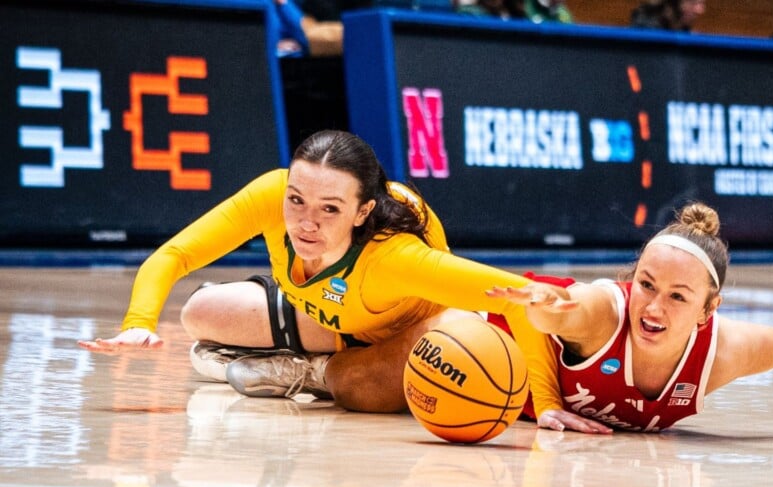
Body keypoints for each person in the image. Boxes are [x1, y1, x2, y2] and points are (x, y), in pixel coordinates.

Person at [78, 130, 557, 413]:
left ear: (363, 211)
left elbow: (524, 295)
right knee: (198, 313)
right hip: (334, 314)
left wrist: (548, 403)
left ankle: (312, 375)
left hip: (409, 330)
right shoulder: (272, 194)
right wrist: (138, 324)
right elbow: (172, 256)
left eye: (330, 209)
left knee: (357, 388)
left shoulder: (396, 259)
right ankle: (294, 359)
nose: (306, 223)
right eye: (297, 201)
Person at [487, 202, 773, 444]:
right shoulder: (604, 314)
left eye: (678, 296)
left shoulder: (718, 353)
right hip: (485, 339)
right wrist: (543, 304)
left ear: (708, 309)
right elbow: (560, 310)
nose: (654, 308)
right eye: (646, 284)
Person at [630, 0, 705, 32]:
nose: (700, 11)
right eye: (693, 3)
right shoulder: (643, 31)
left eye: (701, 3)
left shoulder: (686, 33)